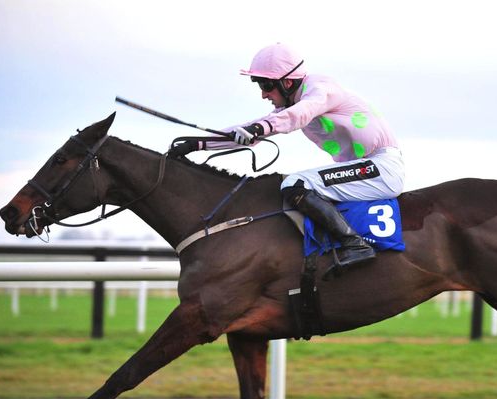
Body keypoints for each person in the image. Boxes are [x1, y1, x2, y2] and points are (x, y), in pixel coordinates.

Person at [170, 43, 404, 271]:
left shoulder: (321, 89)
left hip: (381, 168)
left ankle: (355, 244)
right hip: (365, 168)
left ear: (287, 82)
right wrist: (198, 143)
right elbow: (251, 129)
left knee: (295, 183)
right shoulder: (292, 105)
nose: (263, 94)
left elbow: (300, 114)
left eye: (266, 85)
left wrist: (260, 128)